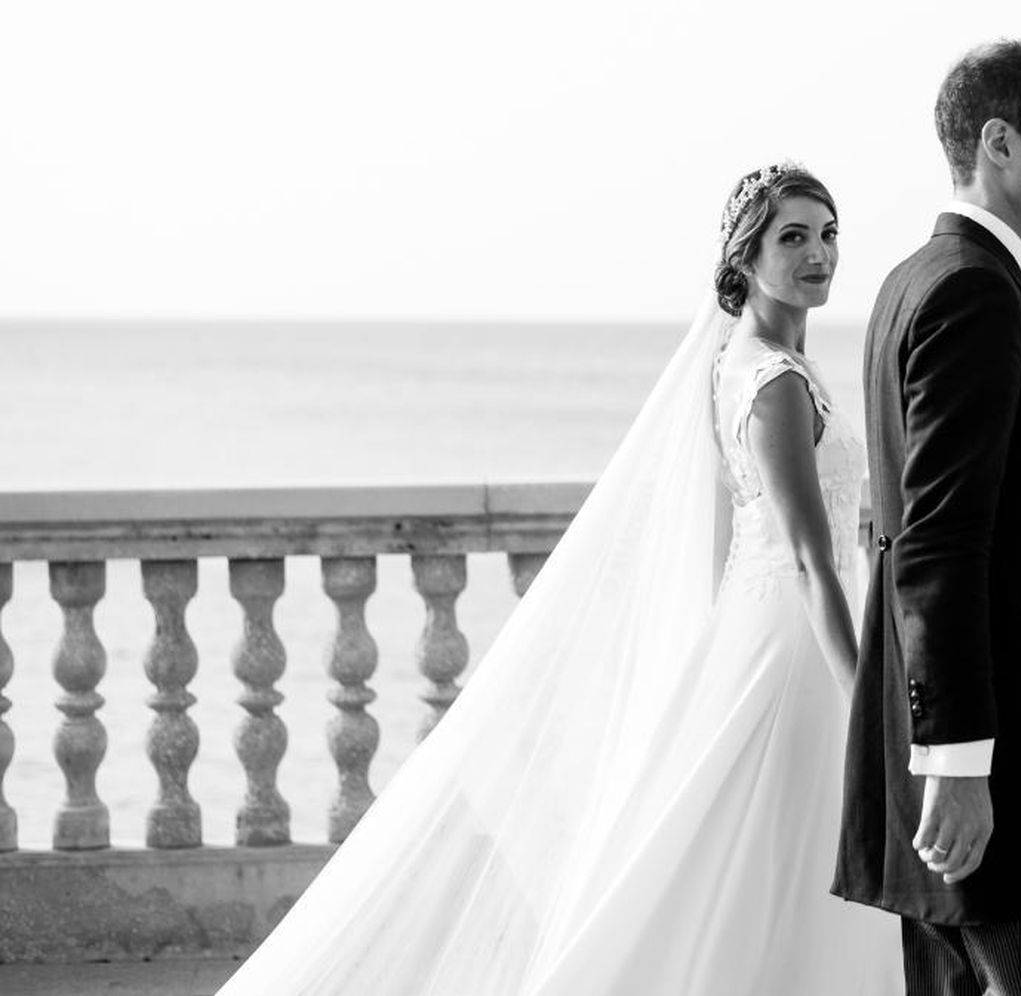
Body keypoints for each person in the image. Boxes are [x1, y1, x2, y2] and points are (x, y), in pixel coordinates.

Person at [215, 162, 901, 994]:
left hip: (766, 635)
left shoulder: (754, 362)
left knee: (763, 860)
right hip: (796, 652)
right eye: (792, 237)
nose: (818, 254)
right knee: (776, 857)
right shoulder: (774, 383)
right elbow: (804, 555)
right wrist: (867, 699)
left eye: (828, 235)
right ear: (744, 256)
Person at [833, 40, 1021, 995]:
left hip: (970, 769)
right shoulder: (969, 292)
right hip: (1005, 784)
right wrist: (957, 763)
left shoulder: (915, 279)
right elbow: (938, 542)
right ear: (1000, 142)